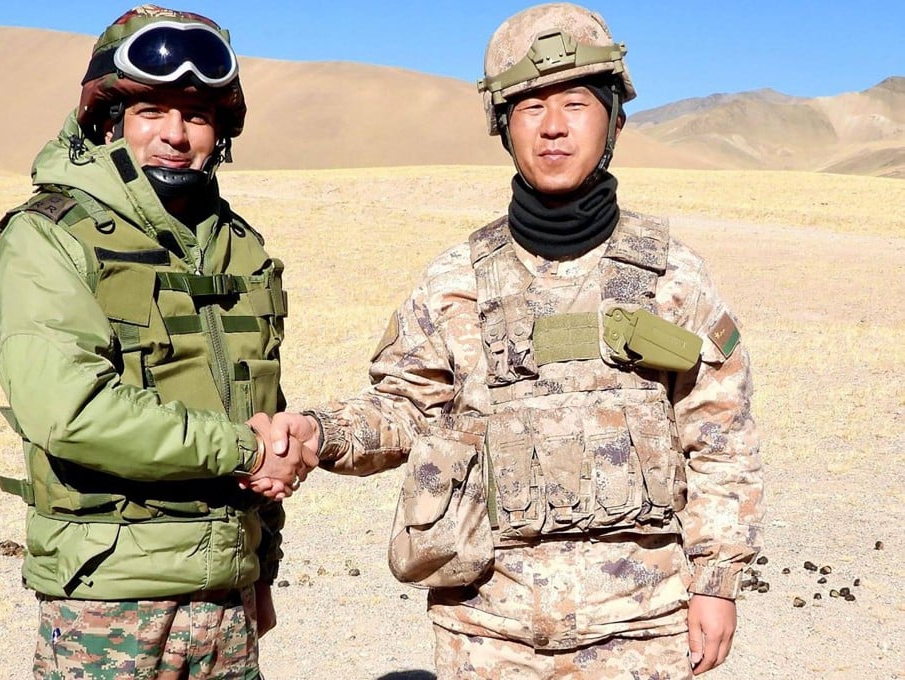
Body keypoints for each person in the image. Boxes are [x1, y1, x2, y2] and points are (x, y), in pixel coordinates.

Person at [265, 4, 764, 678]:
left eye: (575, 102)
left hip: (642, 624)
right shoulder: (454, 282)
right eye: (529, 106)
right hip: (487, 629)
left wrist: (717, 582)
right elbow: (403, 409)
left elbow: (720, 437)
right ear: (503, 126)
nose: (553, 125)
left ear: (615, 119)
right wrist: (317, 432)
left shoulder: (672, 277)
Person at [0, 5, 316, 678]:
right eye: (151, 112)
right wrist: (244, 450)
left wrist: (262, 565)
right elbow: (69, 410)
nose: (175, 136)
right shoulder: (49, 236)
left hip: (227, 595)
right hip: (110, 601)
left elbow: (257, 394)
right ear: (108, 123)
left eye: (195, 115)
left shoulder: (237, 247)